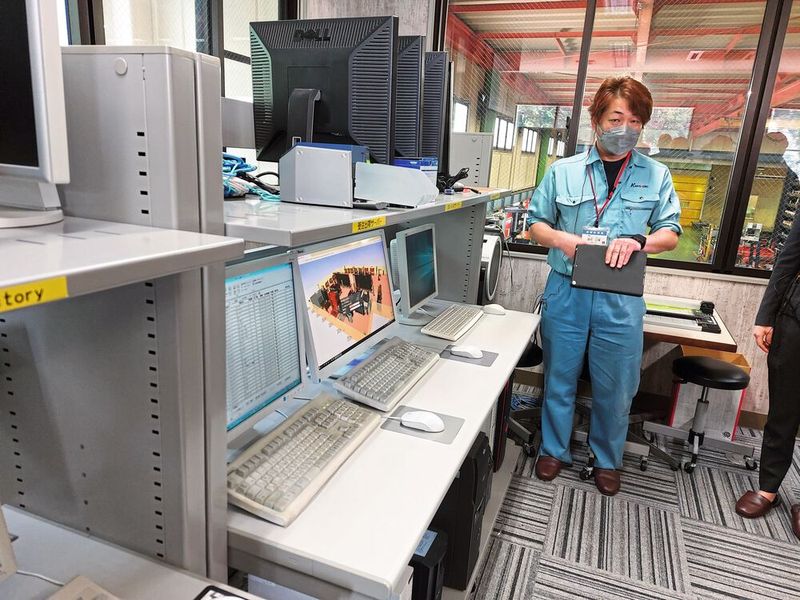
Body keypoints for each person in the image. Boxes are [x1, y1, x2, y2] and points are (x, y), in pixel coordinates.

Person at [527, 76, 681, 495]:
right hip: (567, 290)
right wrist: (562, 239)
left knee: (617, 385)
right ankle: (554, 450)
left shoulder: (656, 174)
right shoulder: (563, 170)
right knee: (559, 376)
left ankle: (607, 459)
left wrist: (640, 240)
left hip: (620, 297)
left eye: (635, 120)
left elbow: (671, 231)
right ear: (596, 119)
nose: (626, 127)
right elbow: (534, 223)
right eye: (617, 117)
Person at [735, 199, 800, 540]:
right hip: (795, 320)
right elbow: (787, 261)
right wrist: (765, 318)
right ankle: (768, 489)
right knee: (784, 411)